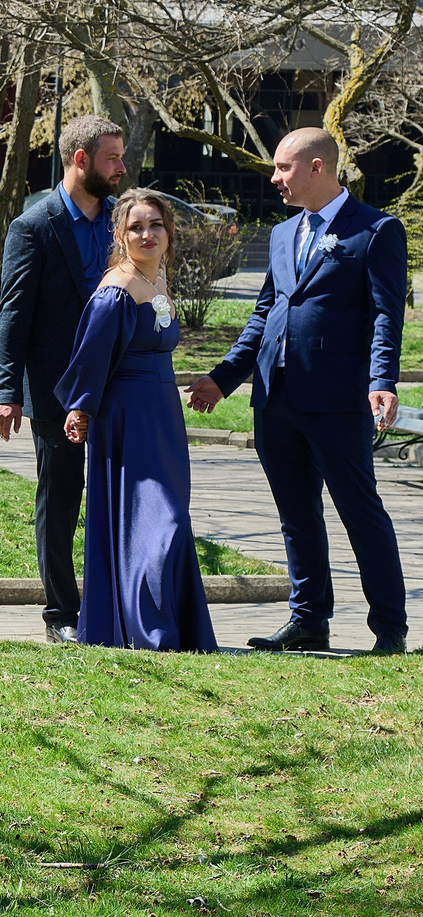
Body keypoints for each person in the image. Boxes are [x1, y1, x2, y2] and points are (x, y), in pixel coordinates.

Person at [187, 128, 409, 653]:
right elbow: (264, 314)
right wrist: (223, 379)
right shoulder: (284, 234)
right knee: (295, 514)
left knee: (360, 511)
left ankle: (390, 628)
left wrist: (382, 381)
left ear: (317, 168)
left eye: (283, 167)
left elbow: (385, 315)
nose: (274, 178)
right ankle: (309, 619)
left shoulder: (376, 231)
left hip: (336, 400)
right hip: (275, 398)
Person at [57, 190, 217, 652]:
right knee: (156, 521)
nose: (147, 235)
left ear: (169, 232)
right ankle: (152, 632)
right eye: (136, 228)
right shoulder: (116, 291)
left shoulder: (159, 279)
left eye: (156, 226)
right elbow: (90, 356)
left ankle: (175, 627)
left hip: (163, 418)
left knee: (174, 519)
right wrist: (81, 408)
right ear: (120, 235)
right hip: (126, 419)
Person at [0, 114, 127, 642]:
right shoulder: (35, 226)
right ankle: (61, 615)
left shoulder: (121, 219)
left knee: (119, 496)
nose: (121, 168)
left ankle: (114, 606)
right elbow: (13, 313)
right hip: (56, 388)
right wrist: (7, 392)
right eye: (112, 158)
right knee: (61, 499)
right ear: (80, 160)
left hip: (119, 383)